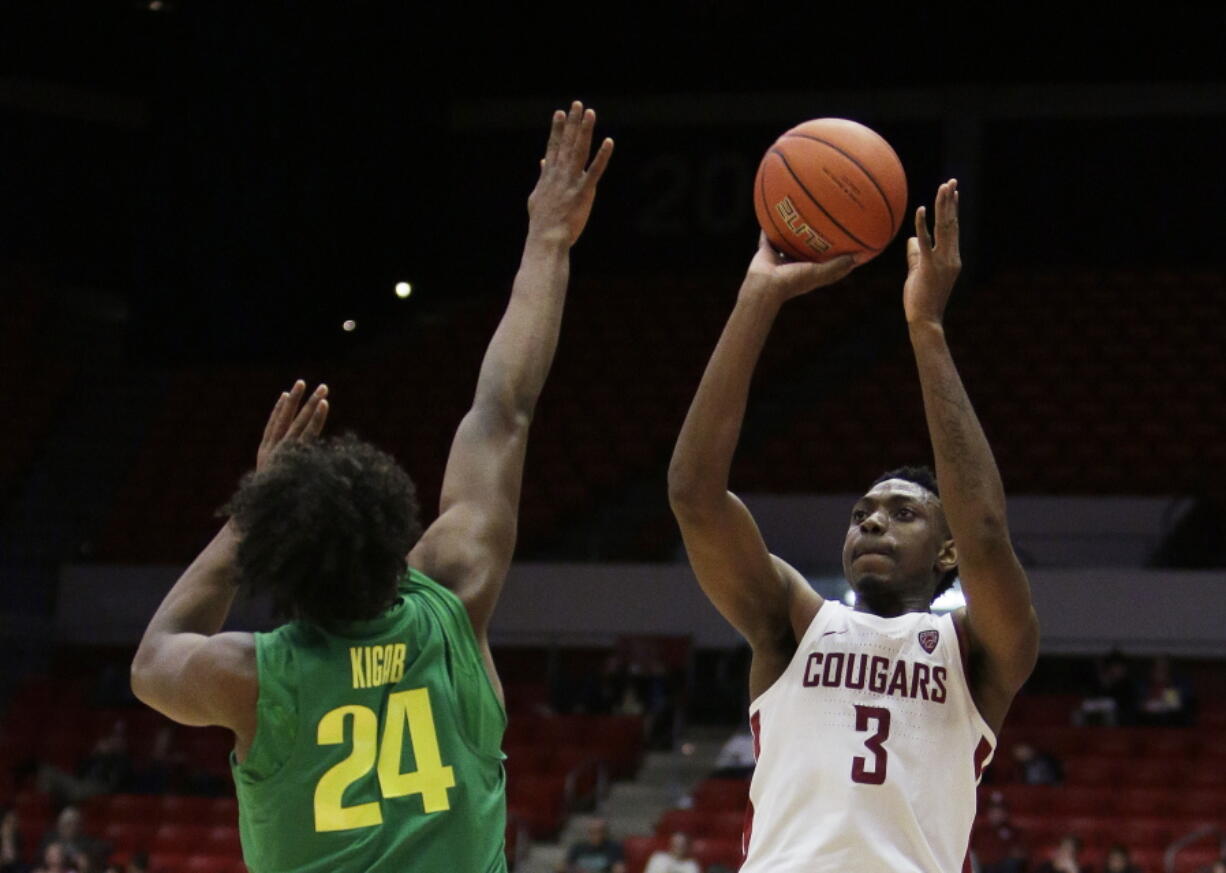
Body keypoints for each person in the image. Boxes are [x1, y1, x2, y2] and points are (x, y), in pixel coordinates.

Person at [129, 102, 614, 873]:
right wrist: (548, 240)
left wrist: (250, 509)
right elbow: (503, 410)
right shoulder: (452, 591)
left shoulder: (251, 676)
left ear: (277, 569)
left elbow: (152, 658)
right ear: (397, 537)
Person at [668, 180, 1040, 873]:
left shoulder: (976, 650)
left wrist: (926, 329)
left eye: (903, 513)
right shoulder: (794, 624)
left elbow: (987, 531)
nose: (872, 520)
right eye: (862, 512)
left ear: (947, 550)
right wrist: (759, 298)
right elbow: (693, 493)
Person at [559, 818, 625, 873]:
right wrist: (574, 870)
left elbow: (619, 868)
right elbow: (562, 866)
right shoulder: (578, 847)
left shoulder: (613, 847)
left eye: (599, 831)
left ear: (605, 833)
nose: (596, 835)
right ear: (588, 833)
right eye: (592, 832)